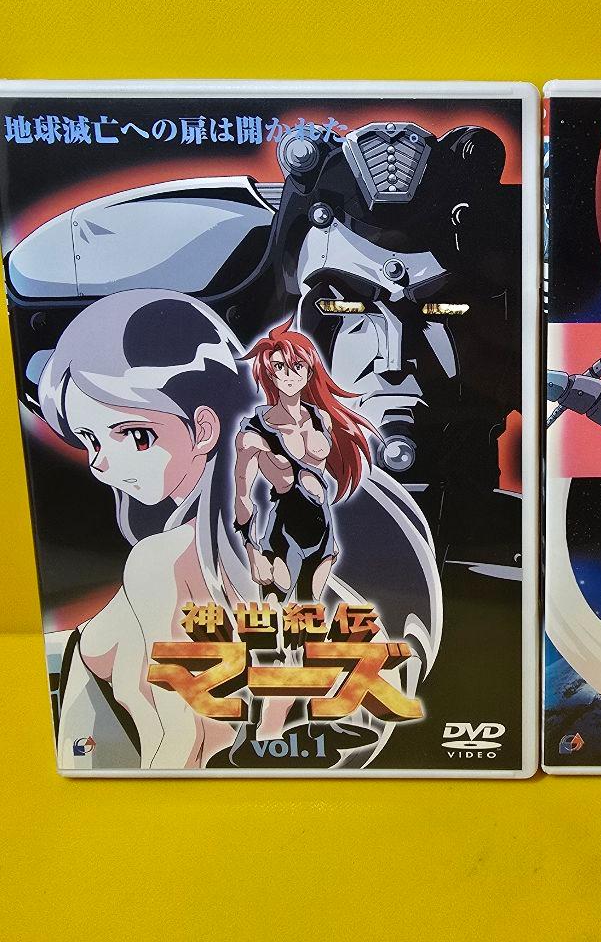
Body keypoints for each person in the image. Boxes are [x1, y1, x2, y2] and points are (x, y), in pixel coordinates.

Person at [39, 289, 256, 769]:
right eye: (89, 439)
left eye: (134, 435)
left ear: (204, 428)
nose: (99, 463)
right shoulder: (197, 537)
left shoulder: (168, 558)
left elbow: (185, 741)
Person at [234, 321, 374, 604]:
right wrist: (252, 551)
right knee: (273, 613)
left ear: (309, 371)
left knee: (310, 614)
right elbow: (242, 495)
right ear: (269, 373)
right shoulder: (254, 433)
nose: (289, 375)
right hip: (284, 533)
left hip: (323, 533)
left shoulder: (321, 420)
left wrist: (331, 538)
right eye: (280, 367)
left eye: (297, 366)